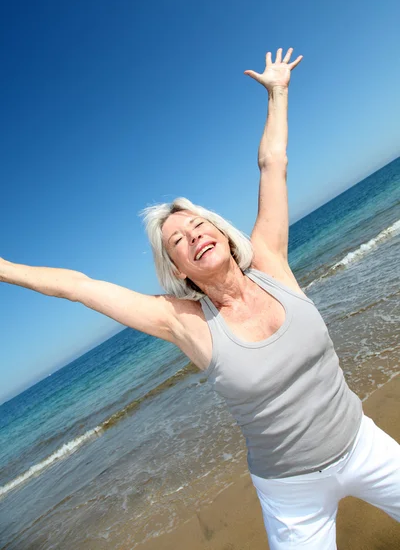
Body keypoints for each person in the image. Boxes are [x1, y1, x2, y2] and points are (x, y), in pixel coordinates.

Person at [1, 48, 399, 549]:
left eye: (197, 224)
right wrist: (5, 269)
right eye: (177, 241)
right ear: (177, 269)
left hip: (363, 444)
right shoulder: (184, 322)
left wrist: (278, 94)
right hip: (292, 493)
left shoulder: (271, 261)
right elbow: (79, 286)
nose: (192, 236)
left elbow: (272, 163)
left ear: (221, 231)